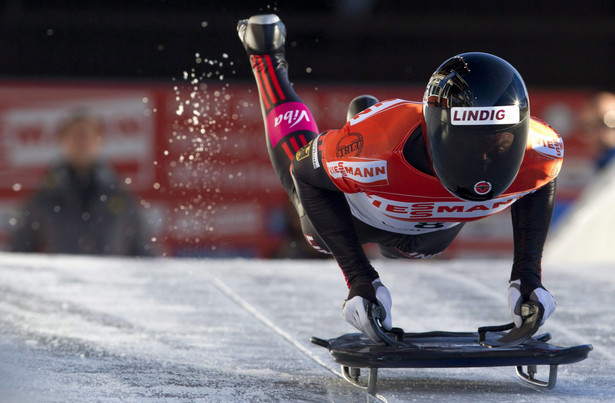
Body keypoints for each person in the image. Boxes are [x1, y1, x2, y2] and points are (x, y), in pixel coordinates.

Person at [238, 14, 561, 342]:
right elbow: (304, 171)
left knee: (416, 248)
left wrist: (527, 276)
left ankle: (362, 116)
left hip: (428, 234)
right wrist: (360, 279)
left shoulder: (542, 149)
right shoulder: (380, 149)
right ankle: (266, 56)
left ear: (519, 135)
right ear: (434, 131)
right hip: (356, 212)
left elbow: (541, 178)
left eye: (500, 142)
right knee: (306, 178)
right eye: (466, 142)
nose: (482, 158)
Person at [9, 109, 154, 256]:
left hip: (110, 278)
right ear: (62, 141)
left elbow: (145, 254)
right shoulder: (44, 197)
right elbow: (19, 253)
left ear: (99, 140)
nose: (82, 142)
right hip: (60, 278)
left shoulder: (120, 196)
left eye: (87, 136)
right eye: (75, 136)